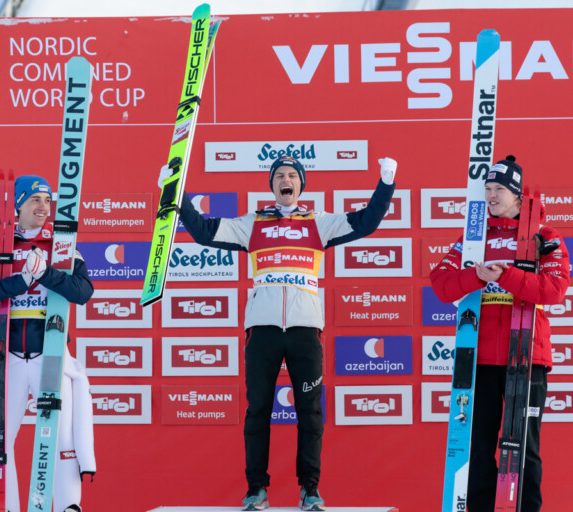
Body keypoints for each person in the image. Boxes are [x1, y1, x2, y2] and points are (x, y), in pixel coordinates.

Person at [160, 155, 397, 511]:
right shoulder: (252, 222)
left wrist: (387, 182)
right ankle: (256, 489)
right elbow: (203, 231)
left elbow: (366, 222)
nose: (286, 180)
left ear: (301, 184)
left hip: (304, 333)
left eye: (292, 176)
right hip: (264, 333)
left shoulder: (319, 222)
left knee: (310, 411)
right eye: (279, 176)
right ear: (271, 185)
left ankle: (310, 489)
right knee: (258, 411)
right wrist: (176, 190)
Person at [429, 156, 570, 512]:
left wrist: (504, 276)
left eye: (499, 190)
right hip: (478, 359)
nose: (491, 195)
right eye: (487, 189)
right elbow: (441, 286)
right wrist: (478, 276)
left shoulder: (546, 236)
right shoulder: (474, 237)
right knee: (476, 448)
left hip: (526, 357)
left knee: (523, 449)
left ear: (518, 194)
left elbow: (554, 290)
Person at [0, 175, 96, 512]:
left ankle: (69, 505)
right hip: (7, 356)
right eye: (36, 200)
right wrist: (20, 281)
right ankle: (8, 507)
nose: (43, 207)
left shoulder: (63, 243)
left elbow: (83, 292)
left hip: (50, 353)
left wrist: (45, 275)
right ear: (18, 204)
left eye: (48, 201)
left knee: (61, 437)